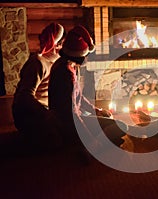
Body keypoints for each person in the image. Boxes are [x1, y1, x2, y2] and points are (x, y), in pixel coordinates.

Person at [48, 25, 128, 159]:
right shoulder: (65, 73)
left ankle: (101, 143)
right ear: (78, 55)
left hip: (76, 116)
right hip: (67, 123)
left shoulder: (69, 66)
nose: (87, 58)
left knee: (109, 119)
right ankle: (92, 148)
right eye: (85, 55)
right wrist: (90, 140)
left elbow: (78, 97)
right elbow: (71, 114)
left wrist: (96, 110)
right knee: (121, 126)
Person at [12, 22, 66, 151]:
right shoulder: (37, 63)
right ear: (57, 44)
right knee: (58, 141)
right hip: (30, 114)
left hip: (46, 111)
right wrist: (47, 115)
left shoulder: (56, 63)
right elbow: (24, 96)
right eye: (63, 43)